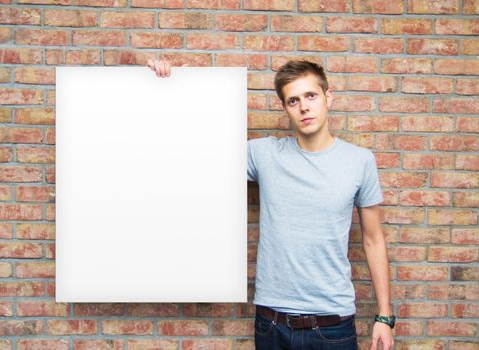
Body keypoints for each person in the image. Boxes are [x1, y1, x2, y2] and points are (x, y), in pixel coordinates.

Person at [148, 59, 395, 350]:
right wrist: (173, 84)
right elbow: (195, 150)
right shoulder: (264, 154)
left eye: (311, 96)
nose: (304, 107)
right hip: (272, 323)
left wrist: (385, 316)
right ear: (285, 108)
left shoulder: (359, 161)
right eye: (293, 100)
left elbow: (373, 240)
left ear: (329, 97)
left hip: (332, 324)